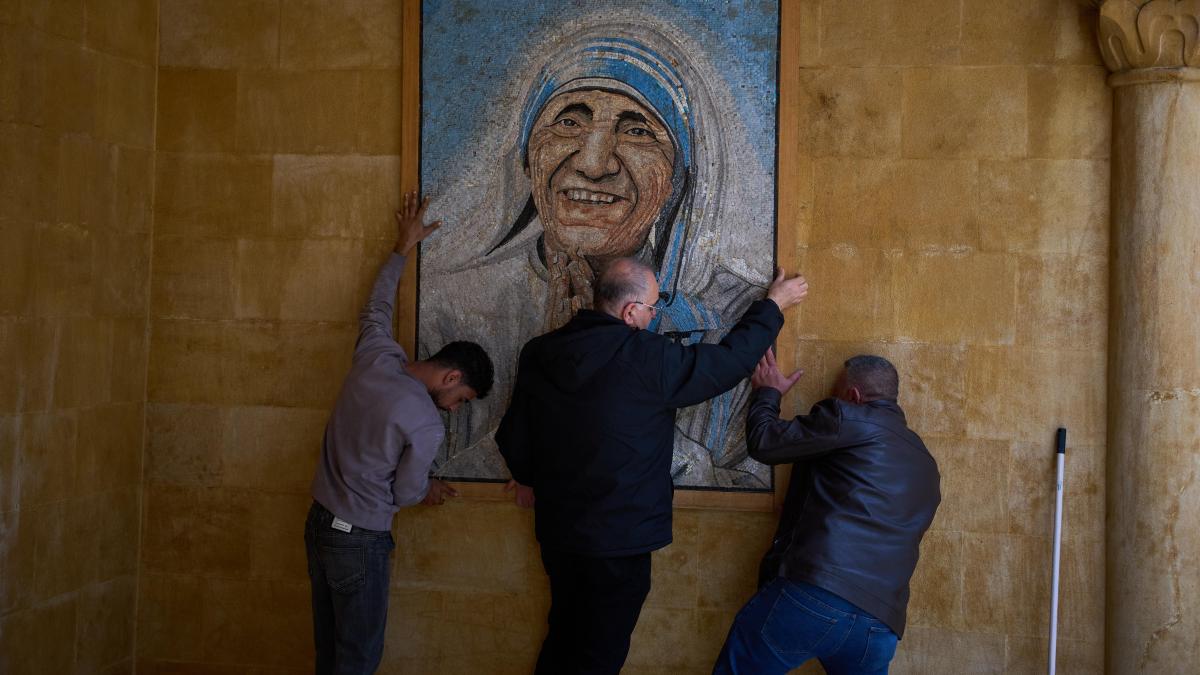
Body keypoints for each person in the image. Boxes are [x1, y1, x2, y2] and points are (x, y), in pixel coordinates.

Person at [420, 16, 777, 490]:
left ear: (681, 176)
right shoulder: (446, 304)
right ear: (528, 154)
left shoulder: (727, 307)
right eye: (568, 121)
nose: (593, 163)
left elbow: (748, 487)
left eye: (638, 132)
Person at [497, 257, 809, 674]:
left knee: (565, 634)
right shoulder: (647, 357)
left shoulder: (540, 352)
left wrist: (526, 476)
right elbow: (727, 364)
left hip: (559, 532)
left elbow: (514, 432)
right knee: (600, 651)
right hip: (620, 537)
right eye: (652, 307)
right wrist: (773, 304)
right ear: (630, 312)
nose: (652, 316)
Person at [304, 192, 495, 675]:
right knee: (358, 659)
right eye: (462, 399)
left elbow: (376, 307)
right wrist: (427, 487)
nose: (454, 410)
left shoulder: (375, 354)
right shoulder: (426, 422)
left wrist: (402, 247)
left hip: (319, 524)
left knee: (329, 652)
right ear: (451, 378)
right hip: (360, 541)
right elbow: (408, 491)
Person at [713, 353, 942, 675]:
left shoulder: (848, 416)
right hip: (880, 622)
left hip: (816, 594)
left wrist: (769, 392)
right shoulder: (925, 462)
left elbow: (764, 442)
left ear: (853, 396)